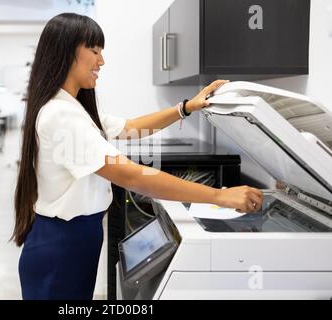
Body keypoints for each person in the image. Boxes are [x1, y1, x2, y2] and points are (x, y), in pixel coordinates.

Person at [13, 13, 263, 300]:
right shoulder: (61, 115)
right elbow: (131, 175)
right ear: (67, 51)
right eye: (94, 51)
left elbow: (131, 127)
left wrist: (186, 107)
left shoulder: (73, 107)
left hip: (76, 239)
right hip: (61, 245)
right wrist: (220, 196)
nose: (101, 61)